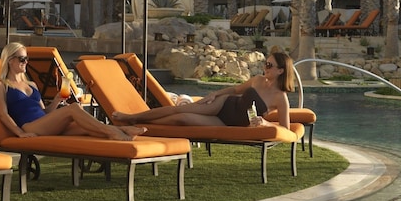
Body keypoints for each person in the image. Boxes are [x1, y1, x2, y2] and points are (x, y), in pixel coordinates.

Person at [0, 42, 145, 140]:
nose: (26, 62)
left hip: (45, 123)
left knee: (86, 127)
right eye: (22, 59)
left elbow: (44, 112)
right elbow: (3, 115)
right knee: (73, 108)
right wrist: (20, 133)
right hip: (30, 126)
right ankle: (117, 131)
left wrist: (56, 100)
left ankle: (121, 131)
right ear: (10, 61)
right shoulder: (0, 86)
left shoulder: (32, 85)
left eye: (27, 59)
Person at [113, 51, 296, 128]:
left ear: (281, 70)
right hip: (222, 105)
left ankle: (141, 125)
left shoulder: (280, 98)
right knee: (178, 110)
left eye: (269, 65)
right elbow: (234, 90)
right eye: (266, 63)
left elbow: (286, 129)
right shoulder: (257, 80)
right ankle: (133, 117)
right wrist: (215, 94)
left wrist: (266, 124)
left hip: (228, 124)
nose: (265, 67)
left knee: (182, 118)